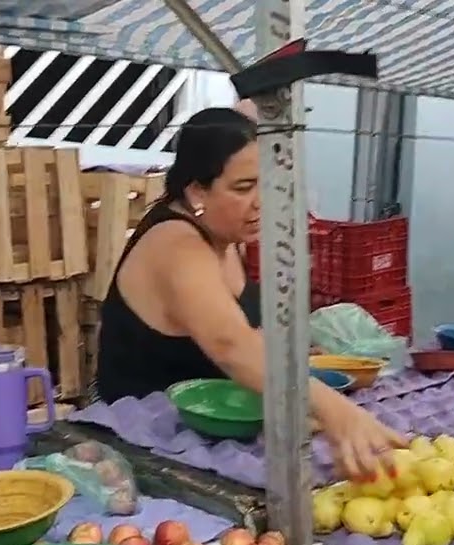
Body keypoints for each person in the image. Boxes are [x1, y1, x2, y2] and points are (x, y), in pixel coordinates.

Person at [95, 107, 403, 476]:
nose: (261, 202)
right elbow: (230, 344)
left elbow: (245, 332)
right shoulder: (175, 245)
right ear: (197, 191)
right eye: (243, 188)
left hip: (222, 423)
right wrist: (337, 412)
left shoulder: (224, 234)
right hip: (145, 440)